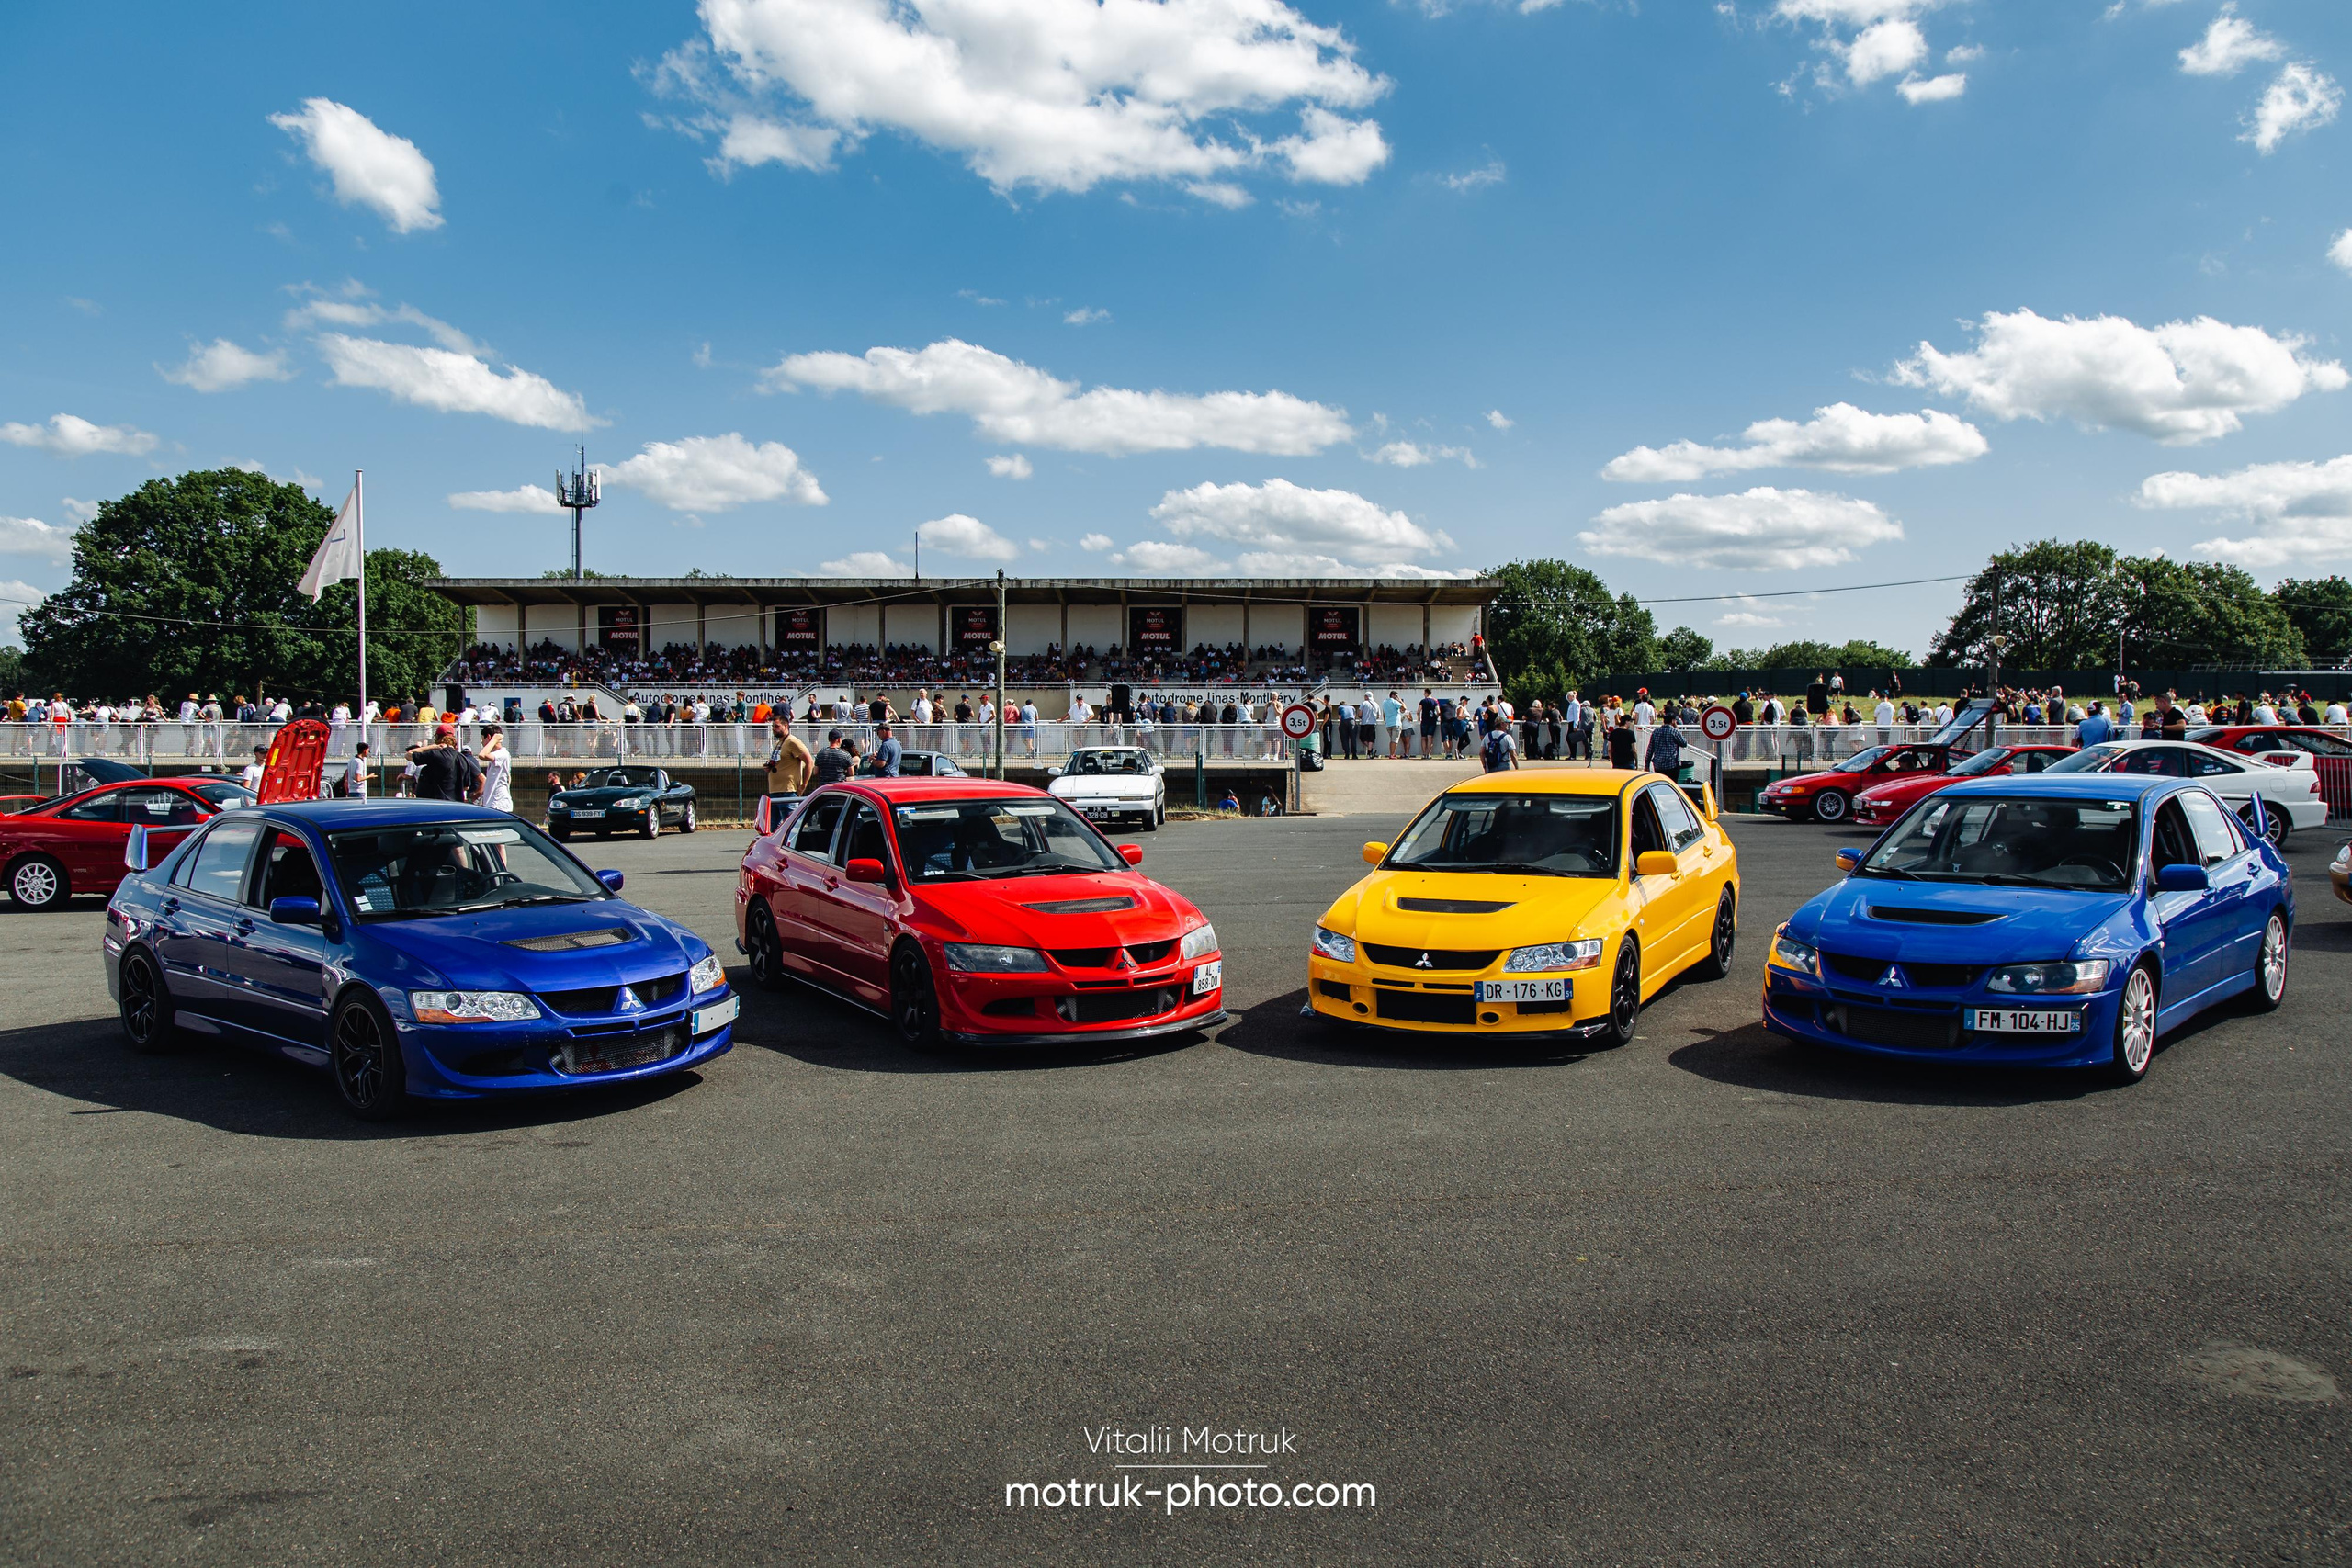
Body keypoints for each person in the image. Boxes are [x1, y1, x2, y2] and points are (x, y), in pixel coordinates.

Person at [407, 722, 481, 802]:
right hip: (456, 805)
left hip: (435, 804)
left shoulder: (435, 755)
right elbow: (466, 787)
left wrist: (433, 746)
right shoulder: (463, 759)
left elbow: (409, 755)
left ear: (438, 737)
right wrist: (471, 799)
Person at [477, 723, 514, 813]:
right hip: (492, 804)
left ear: (488, 737)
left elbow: (482, 755)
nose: (482, 743)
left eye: (483, 739)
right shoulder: (496, 755)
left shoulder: (502, 754)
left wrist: (494, 739)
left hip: (498, 804)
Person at [1645, 711, 1686, 777]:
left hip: (1658, 765)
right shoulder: (1674, 731)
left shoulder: (1656, 731)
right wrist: (1677, 729)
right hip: (1672, 764)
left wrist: (1647, 764)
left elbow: (1650, 749)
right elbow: (1684, 743)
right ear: (1673, 721)